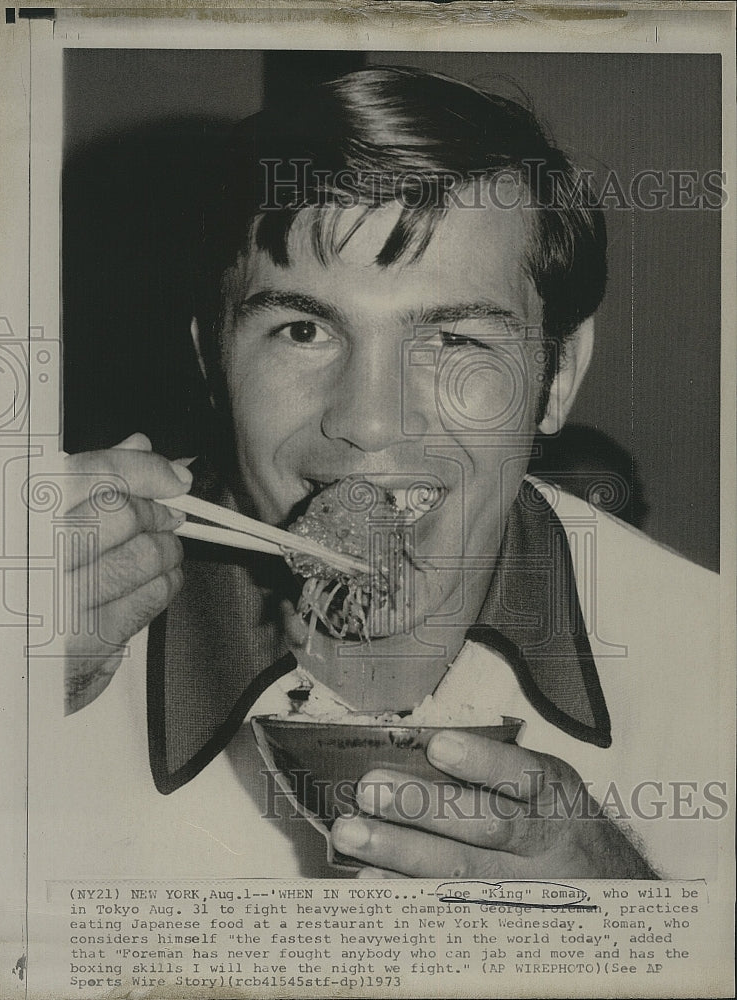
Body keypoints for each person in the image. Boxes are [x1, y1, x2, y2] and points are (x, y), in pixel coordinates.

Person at [57, 67, 722, 880]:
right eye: (303, 331)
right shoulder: (50, 626)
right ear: (212, 357)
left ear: (554, 377)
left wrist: (638, 938)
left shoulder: (709, 665)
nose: (368, 422)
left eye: (452, 340)